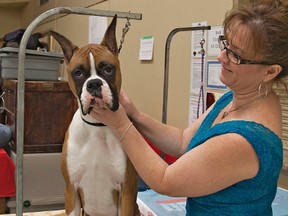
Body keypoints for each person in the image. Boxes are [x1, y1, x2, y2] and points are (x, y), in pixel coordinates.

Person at [90, 0, 286, 215]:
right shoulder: (238, 96)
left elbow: (165, 180)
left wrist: (120, 126)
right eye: (225, 44)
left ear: (270, 72)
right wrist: (134, 114)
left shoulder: (244, 140)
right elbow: (184, 141)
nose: (221, 56)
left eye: (236, 55)